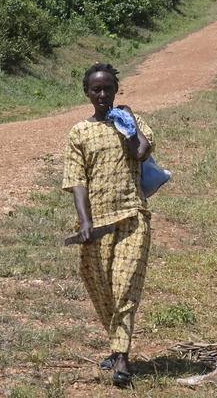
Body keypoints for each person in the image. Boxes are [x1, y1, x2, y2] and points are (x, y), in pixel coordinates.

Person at [62, 62, 153, 388]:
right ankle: (117, 347)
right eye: (96, 89)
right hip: (97, 225)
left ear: (116, 90)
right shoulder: (79, 132)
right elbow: (77, 180)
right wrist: (85, 221)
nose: (102, 95)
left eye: (108, 89)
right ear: (87, 93)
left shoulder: (131, 122)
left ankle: (122, 357)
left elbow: (141, 152)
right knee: (99, 286)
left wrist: (128, 124)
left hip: (132, 217)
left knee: (125, 287)